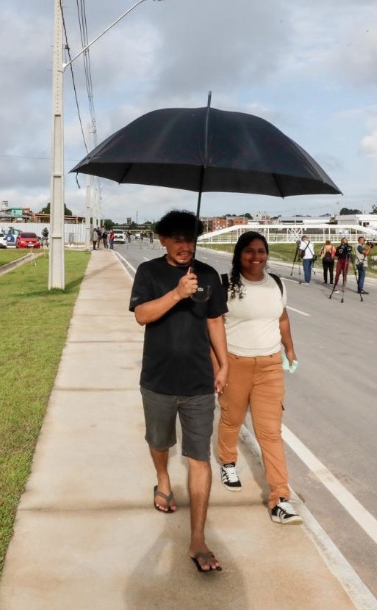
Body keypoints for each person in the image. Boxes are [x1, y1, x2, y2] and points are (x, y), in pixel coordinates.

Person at [130, 210, 229, 574]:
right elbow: (142, 314)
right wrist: (176, 293)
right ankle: (163, 480)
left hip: (199, 384)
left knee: (200, 456)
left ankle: (198, 538)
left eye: (190, 239)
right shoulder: (149, 272)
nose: (186, 246)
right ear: (162, 239)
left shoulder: (208, 275)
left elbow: (215, 319)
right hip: (158, 380)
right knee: (159, 442)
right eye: (177, 239)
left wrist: (224, 363)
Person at [217, 232, 303, 525]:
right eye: (249, 252)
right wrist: (217, 364)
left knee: (270, 432)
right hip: (235, 362)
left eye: (261, 251)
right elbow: (213, 325)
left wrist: (289, 348)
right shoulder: (225, 285)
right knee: (232, 419)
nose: (256, 257)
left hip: (269, 366)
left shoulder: (276, 284)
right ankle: (227, 461)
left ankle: (280, 498)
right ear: (239, 254)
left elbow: (282, 318)